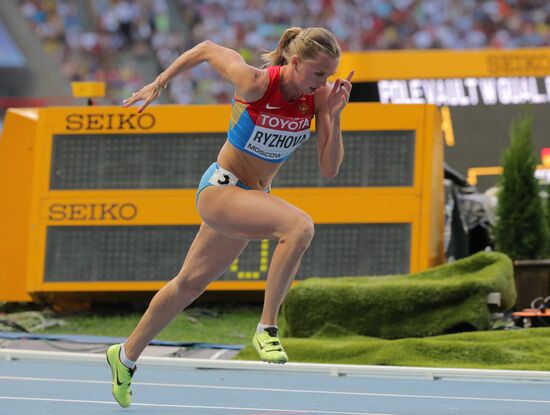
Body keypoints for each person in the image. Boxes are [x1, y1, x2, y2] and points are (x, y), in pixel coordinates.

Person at [106, 26, 353, 408]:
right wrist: (160, 82)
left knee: (188, 285)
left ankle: (125, 356)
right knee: (299, 227)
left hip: (251, 198)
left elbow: (330, 168)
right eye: (320, 73)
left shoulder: (318, 98)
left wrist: (333, 118)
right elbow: (206, 47)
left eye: (331, 74)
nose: (325, 82)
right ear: (295, 61)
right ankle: (267, 328)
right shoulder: (255, 82)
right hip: (222, 189)